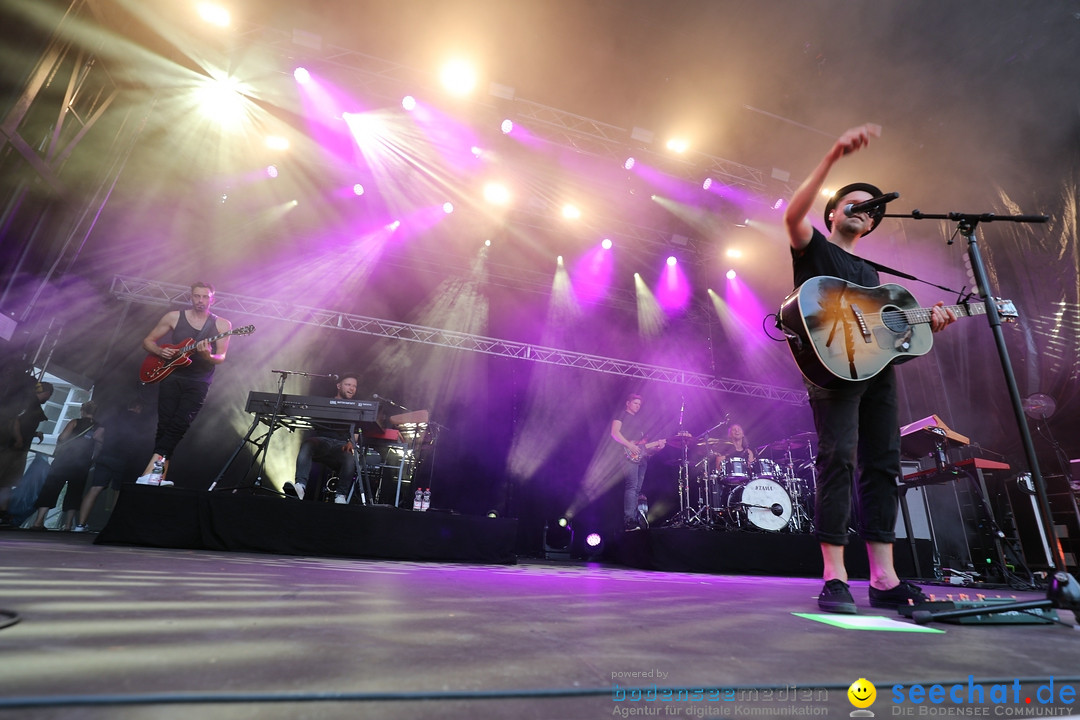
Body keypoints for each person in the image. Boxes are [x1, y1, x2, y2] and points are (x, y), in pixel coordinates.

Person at [782, 123, 956, 614]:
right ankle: (834, 576)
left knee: (882, 463)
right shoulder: (814, 249)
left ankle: (884, 577)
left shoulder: (875, 276)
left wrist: (930, 322)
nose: (862, 211)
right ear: (834, 213)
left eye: (869, 209)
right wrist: (834, 154)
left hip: (877, 372)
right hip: (834, 367)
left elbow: (892, 336)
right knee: (838, 457)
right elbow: (791, 213)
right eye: (852, 204)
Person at [136, 282, 232, 486]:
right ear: (191, 297)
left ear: (212, 299)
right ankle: (157, 478)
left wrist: (209, 355)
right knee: (165, 425)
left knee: (180, 424)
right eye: (197, 296)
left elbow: (221, 356)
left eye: (205, 297)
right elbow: (148, 341)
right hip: (172, 376)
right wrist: (160, 351)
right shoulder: (174, 317)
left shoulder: (222, 325)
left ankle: (148, 472)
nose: (200, 300)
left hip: (199, 381)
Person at [283, 374, 360, 504]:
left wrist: (351, 442)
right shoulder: (324, 403)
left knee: (349, 458)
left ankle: (340, 496)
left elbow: (358, 430)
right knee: (308, 444)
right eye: (348, 384)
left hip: (340, 446)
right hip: (322, 441)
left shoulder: (356, 407)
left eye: (354, 386)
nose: (352, 388)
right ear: (339, 386)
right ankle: (300, 487)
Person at [74, 400, 148, 532]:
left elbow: (96, 436)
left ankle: (80, 525)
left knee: (95, 488)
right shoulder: (140, 421)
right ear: (138, 407)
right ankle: (113, 527)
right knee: (118, 491)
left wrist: (107, 444)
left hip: (105, 456)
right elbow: (142, 441)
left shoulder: (113, 417)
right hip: (124, 459)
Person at [29, 401, 104, 530]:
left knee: (51, 488)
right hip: (82, 464)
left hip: (64, 460)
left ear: (82, 411)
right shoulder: (99, 427)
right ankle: (68, 524)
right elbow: (99, 446)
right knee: (75, 492)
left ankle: (38, 521)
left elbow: (62, 438)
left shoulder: (74, 422)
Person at [0, 380, 54, 524]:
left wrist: (34, 433)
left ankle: (3, 512)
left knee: (7, 482)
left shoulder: (29, 403)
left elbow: (23, 424)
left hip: (17, 450)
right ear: (47, 394)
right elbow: (15, 420)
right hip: (10, 448)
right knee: (4, 479)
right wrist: (18, 438)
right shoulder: (29, 403)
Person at [611, 393, 665, 531]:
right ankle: (629, 520)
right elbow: (615, 433)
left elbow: (643, 446)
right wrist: (629, 446)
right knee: (632, 487)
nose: (638, 406)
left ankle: (635, 520)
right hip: (627, 454)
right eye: (635, 403)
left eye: (639, 404)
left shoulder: (641, 422)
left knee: (637, 490)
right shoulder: (621, 415)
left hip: (641, 457)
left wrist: (657, 446)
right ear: (627, 403)